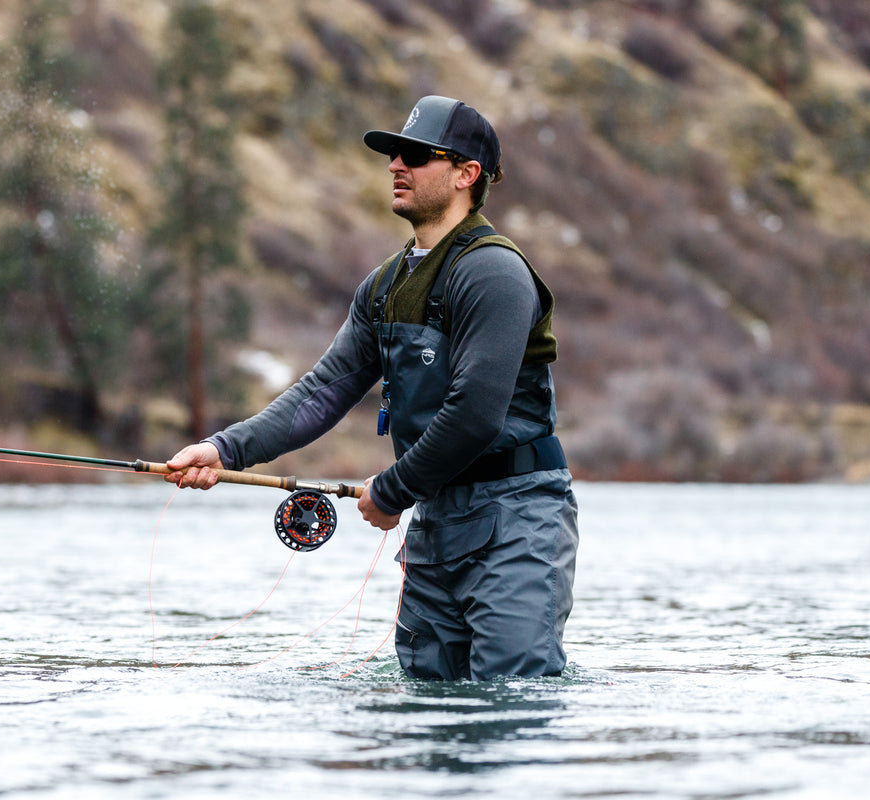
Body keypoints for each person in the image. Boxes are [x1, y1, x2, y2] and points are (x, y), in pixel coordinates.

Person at [165, 95, 579, 681]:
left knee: (513, 691)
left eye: (415, 154)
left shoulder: (494, 274)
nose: (394, 165)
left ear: (467, 174)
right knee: (428, 695)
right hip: (438, 515)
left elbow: (475, 415)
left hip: (518, 517)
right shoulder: (384, 285)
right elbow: (324, 390)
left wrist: (392, 490)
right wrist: (224, 449)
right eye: (392, 154)